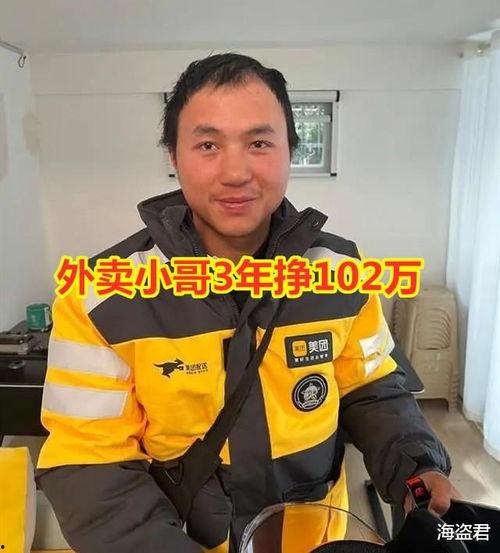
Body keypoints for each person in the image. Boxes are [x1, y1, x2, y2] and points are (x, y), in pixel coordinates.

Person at [36, 53, 460, 553]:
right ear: (173, 156)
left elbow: (371, 388)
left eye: (259, 143)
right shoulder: (101, 294)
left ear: (291, 151)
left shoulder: (337, 271)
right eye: (208, 145)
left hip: (314, 539)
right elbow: (88, 462)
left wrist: (418, 468)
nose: (235, 172)